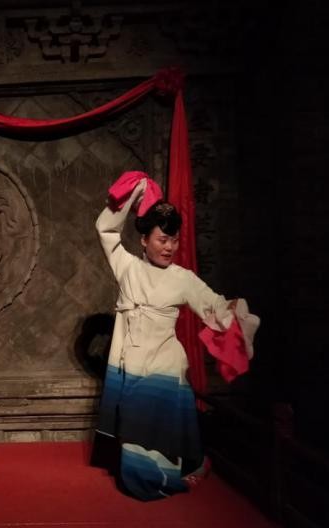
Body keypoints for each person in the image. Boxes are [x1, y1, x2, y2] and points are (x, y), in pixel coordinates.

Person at [94, 171, 257, 501]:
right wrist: (134, 194)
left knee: (159, 432)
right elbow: (105, 229)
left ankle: (172, 475)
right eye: (162, 240)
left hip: (165, 363)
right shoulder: (127, 266)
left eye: (174, 240)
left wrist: (233, 310)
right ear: (144, 240)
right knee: (136, 433)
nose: (169, 247)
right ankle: (157, 475)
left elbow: (213, 305)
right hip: (132, 361)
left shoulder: (183, 278)